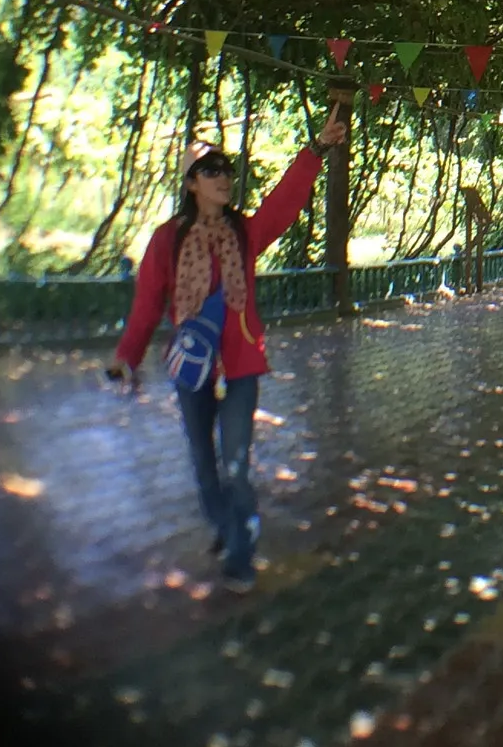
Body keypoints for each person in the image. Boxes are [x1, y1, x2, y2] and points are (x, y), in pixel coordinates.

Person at [105, 110, 347, 591]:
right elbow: (149, 304)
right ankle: (223, 526)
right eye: (212, 171)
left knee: (236, 464)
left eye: (227, 171)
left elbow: (282, 207)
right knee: (203, 464)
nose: (223, 179)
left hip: (239, 365)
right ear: (192, 183)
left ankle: (240, 552)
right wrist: (125, 357)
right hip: (191, 367)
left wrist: (315, 151)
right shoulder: (168, 239)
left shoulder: (243, 233)